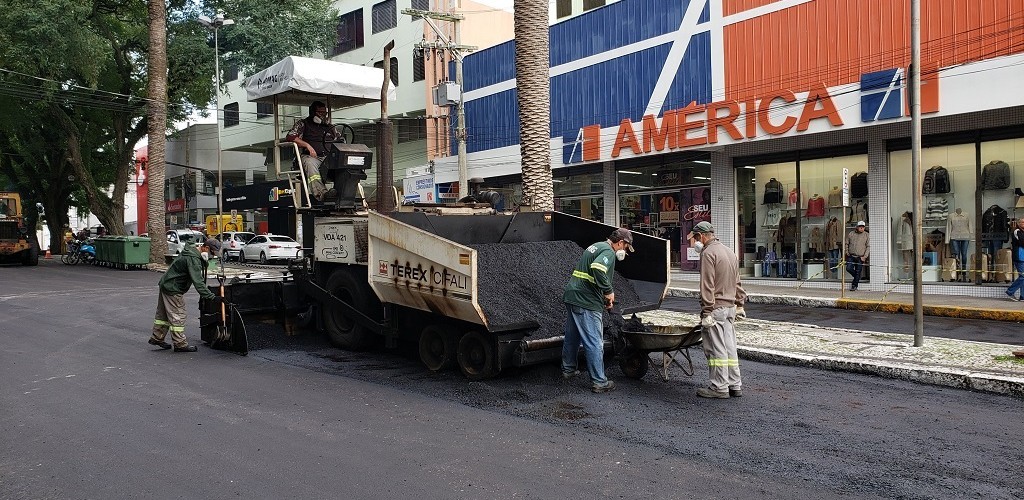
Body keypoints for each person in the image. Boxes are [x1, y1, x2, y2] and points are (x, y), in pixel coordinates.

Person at [561, 228, 634, 393]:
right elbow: (598, 268)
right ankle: (599, 382)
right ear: (620, 242)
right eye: (626, 247)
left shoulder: (597, 246)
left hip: (573, 296)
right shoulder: (608, 252)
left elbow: (589, 276)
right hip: (586, 301)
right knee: (594, 341)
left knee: (572, 337)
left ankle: (568, 370)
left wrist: (604, 299)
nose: (625, 252)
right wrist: (608, 291)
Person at [688, 221, 746, 399]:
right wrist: (740, 303)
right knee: (730, 347)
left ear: (702, 236)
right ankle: (735, 385)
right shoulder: (729, 252)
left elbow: (707, 285)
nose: (695, 242)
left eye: (695, 238)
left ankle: (719, 387)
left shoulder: (708, 253)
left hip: (716, 309)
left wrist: (706, 311)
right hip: (730, 308)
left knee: (716, 349)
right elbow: (737, 282)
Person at [148, 244, 221, 352]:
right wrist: (212, 297)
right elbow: (198, 282)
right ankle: (180, 344)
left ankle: (157, 337)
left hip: (167, 284)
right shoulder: (193, 259)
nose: (212, 256)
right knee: (178, 315)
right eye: (212, 253)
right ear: (205, 248)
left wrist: (204, 261)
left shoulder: (191, 252)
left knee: (163, 315)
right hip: (173, 288)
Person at [285, 101, 345, 202]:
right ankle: (322, 194)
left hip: (328, 158)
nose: (323, 115)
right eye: (320, 112)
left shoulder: (330, 127)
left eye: (324, 113)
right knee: (310, 163)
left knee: (345, 164)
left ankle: (343, 194)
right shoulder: (303, 124)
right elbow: (291, 137)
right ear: (312, 112)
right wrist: (307, 145)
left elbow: (340, 140)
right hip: (311, 157)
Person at [846, 221, 870, 291]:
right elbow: (846, 243)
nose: (862, 228)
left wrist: (865, 256)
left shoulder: (866, 235)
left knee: (858, 271)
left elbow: (868, 246)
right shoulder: (851, 234)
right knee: (848, 268)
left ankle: (854, 285)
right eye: (860, 227)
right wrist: (847, 252)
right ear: (857, 227)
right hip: (851, 255)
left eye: (863, 227)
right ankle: (857, 277)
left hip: (860, 257)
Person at [1006, 218, 1024, 301]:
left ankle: (1022, 296)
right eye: (1022, 222)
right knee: (1023, 277)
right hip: (1019, 257)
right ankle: (1010, 291)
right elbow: (1022, 242)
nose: (1023, 224)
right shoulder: (1017, 231)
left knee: (1022, 277)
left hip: (1022, 257)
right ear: (1018, 223)